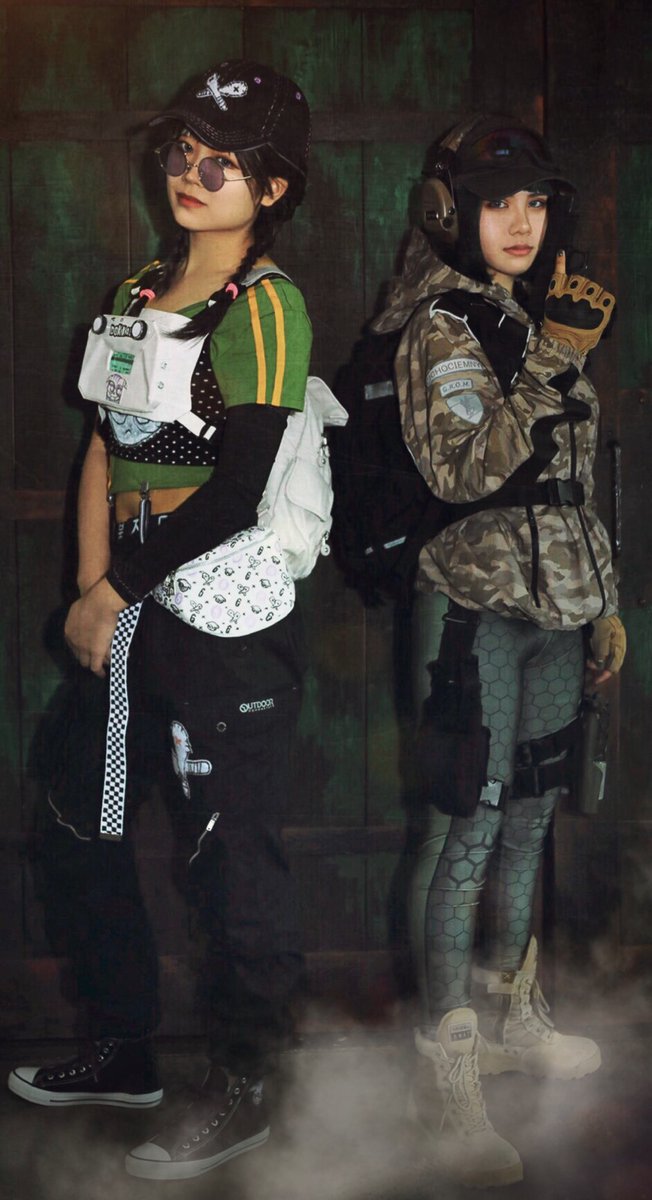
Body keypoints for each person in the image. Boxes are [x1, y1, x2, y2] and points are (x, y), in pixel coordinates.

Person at [9, 59, 313, 1181]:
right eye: (182, 150)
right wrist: (93, 590)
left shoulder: (268, 306)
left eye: (223, 161)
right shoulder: (139, 288)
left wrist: (116, 589)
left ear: (271, 188)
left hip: (222, 609)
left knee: (230, 855)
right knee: (75, 816)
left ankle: (245, 1085)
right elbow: (103, 446)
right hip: (129, 603)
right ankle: (123, 1045)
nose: (192, 172)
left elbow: (238, 491)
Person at [372, 115, 626, 1188]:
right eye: (495, 202)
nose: (521, 221)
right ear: (451, 210)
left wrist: (605, 601)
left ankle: (515, 1014)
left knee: (529, 819)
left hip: (556, 608)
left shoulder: (531, 311)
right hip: (473, 609)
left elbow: (571, 477)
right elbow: (466, 471)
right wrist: (556, 357)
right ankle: (447, 1081)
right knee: (464, 833)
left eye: (534, 202)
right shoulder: (438, 324)